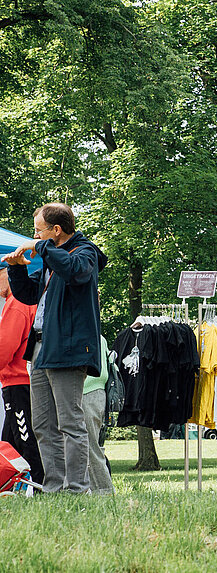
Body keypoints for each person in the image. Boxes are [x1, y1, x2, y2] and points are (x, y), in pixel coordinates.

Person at [2, 202, 107, 493]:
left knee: (70, 423)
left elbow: (77, 272)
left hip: (68, 350)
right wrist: (17, 270)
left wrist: (41, 248)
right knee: (43, 425)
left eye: (39, 231)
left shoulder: (85, 254)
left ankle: (76, 488)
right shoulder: (52, 261)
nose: (34, 237)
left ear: (56, 230)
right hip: (41, 350)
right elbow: (27, 295)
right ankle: (54, 487)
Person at [0, 266, 43, 484]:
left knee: (25, 441)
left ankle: (38, 487)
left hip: (19, 382)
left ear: (7, 272)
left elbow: (5, 346)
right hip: (21, 380)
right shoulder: (26, 300)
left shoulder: (16, 302)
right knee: (8, 442)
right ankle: (12, 486)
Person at [82, 335, 114, 494]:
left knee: (90, 447)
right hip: (93, 393)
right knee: (91, 446)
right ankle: (100, 489)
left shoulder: (94, 336)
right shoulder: (99, 337)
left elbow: (100, 373)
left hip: (88, 393)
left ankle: (104, 490)